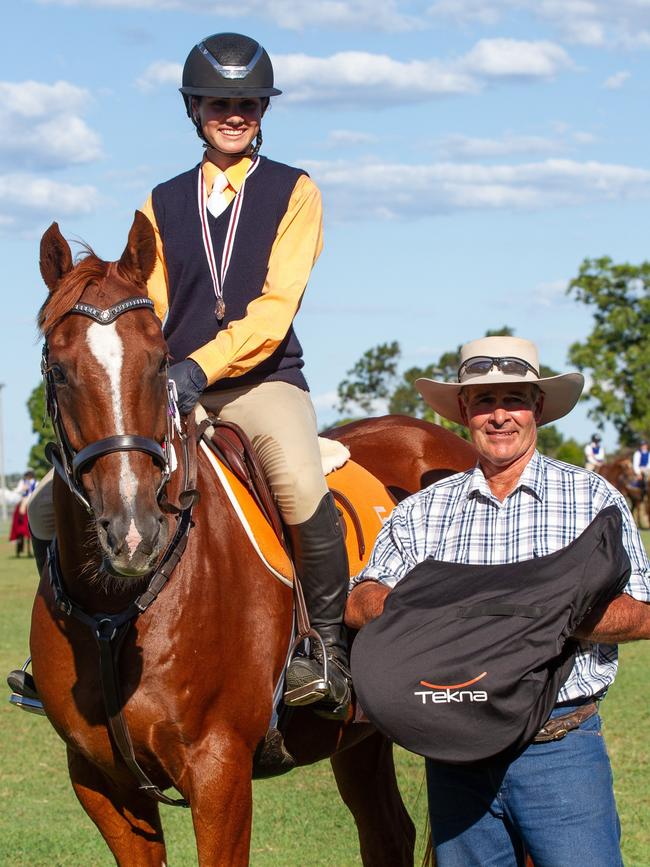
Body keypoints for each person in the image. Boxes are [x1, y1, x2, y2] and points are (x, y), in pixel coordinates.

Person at [8, 32, 350, 718]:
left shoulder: (296, 190)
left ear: (263, 109)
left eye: (249, 101)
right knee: (48, 503)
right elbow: (149, 302)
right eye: (220, 101)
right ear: (194, 109)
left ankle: (327, 651)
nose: (235, 112)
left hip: (262, 382)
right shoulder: (161, 201)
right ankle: (56, 654)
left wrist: (200, 366)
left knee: (301, 481)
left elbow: (275, 309)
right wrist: (148, 367)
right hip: (174, 385)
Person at [346, 335, 650, 867]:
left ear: (536, 408)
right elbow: (360, 597)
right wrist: (434, 614)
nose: (499, 415)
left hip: (559, 749)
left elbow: (642, 612)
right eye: (484, 402)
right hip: (454, 757)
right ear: (464, 411)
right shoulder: (425, 511)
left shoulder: (592, 500)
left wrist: (548, 614)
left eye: (513, 399)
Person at [8, 471, 37, 557]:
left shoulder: (35, 483)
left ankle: (28, 551)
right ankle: (20, 550)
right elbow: (18, 490)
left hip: (31, 501)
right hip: (25, 501)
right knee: (21, 509)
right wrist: (21, 489)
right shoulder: (23, 483)